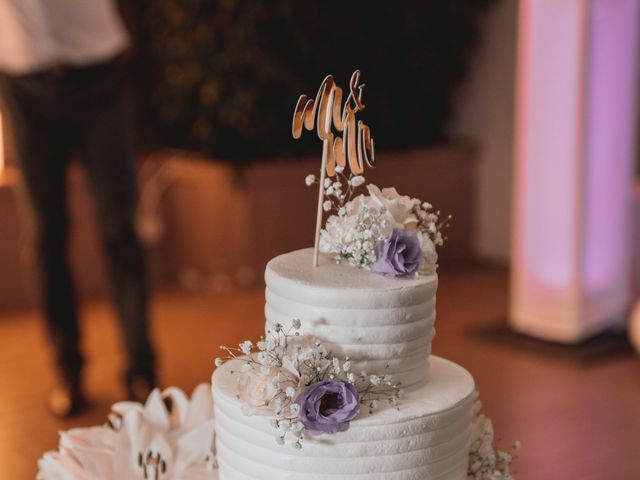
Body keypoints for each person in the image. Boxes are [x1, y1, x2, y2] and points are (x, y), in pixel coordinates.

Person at [0, 1, 156, 416]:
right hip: (22, 87)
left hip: (99, 79)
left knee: (120, 232)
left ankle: (141, 371)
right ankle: (66, 370)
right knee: (45, 235)